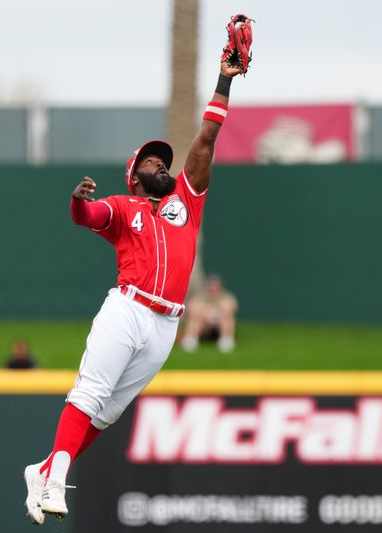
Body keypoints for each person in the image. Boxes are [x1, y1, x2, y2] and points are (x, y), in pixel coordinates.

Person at [22, 30, 248, 525]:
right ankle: (54, 479)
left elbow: (205, 142)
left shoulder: (185, 202)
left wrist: (223, 82)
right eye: (150, 162)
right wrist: (80, 200)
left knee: (105, 415)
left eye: (162, 161)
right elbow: (87, 218)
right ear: (133, 177)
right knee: (88, 395)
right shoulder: (125, 208)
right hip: (128, 307)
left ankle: (41, 470)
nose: (160, 165)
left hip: (166, 324)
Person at [180, 274, 239, 353]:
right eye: (211, 287)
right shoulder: (200, 296)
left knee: (227, 318)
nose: (213, 289)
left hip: (219, 325)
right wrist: (205, 314)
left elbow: (232, 308)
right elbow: (191, 308)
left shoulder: (227, 296)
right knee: (195, 317)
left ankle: (226, 340)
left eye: (216, 287)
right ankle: (191, 339)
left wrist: (216, 315)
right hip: (204, 326)